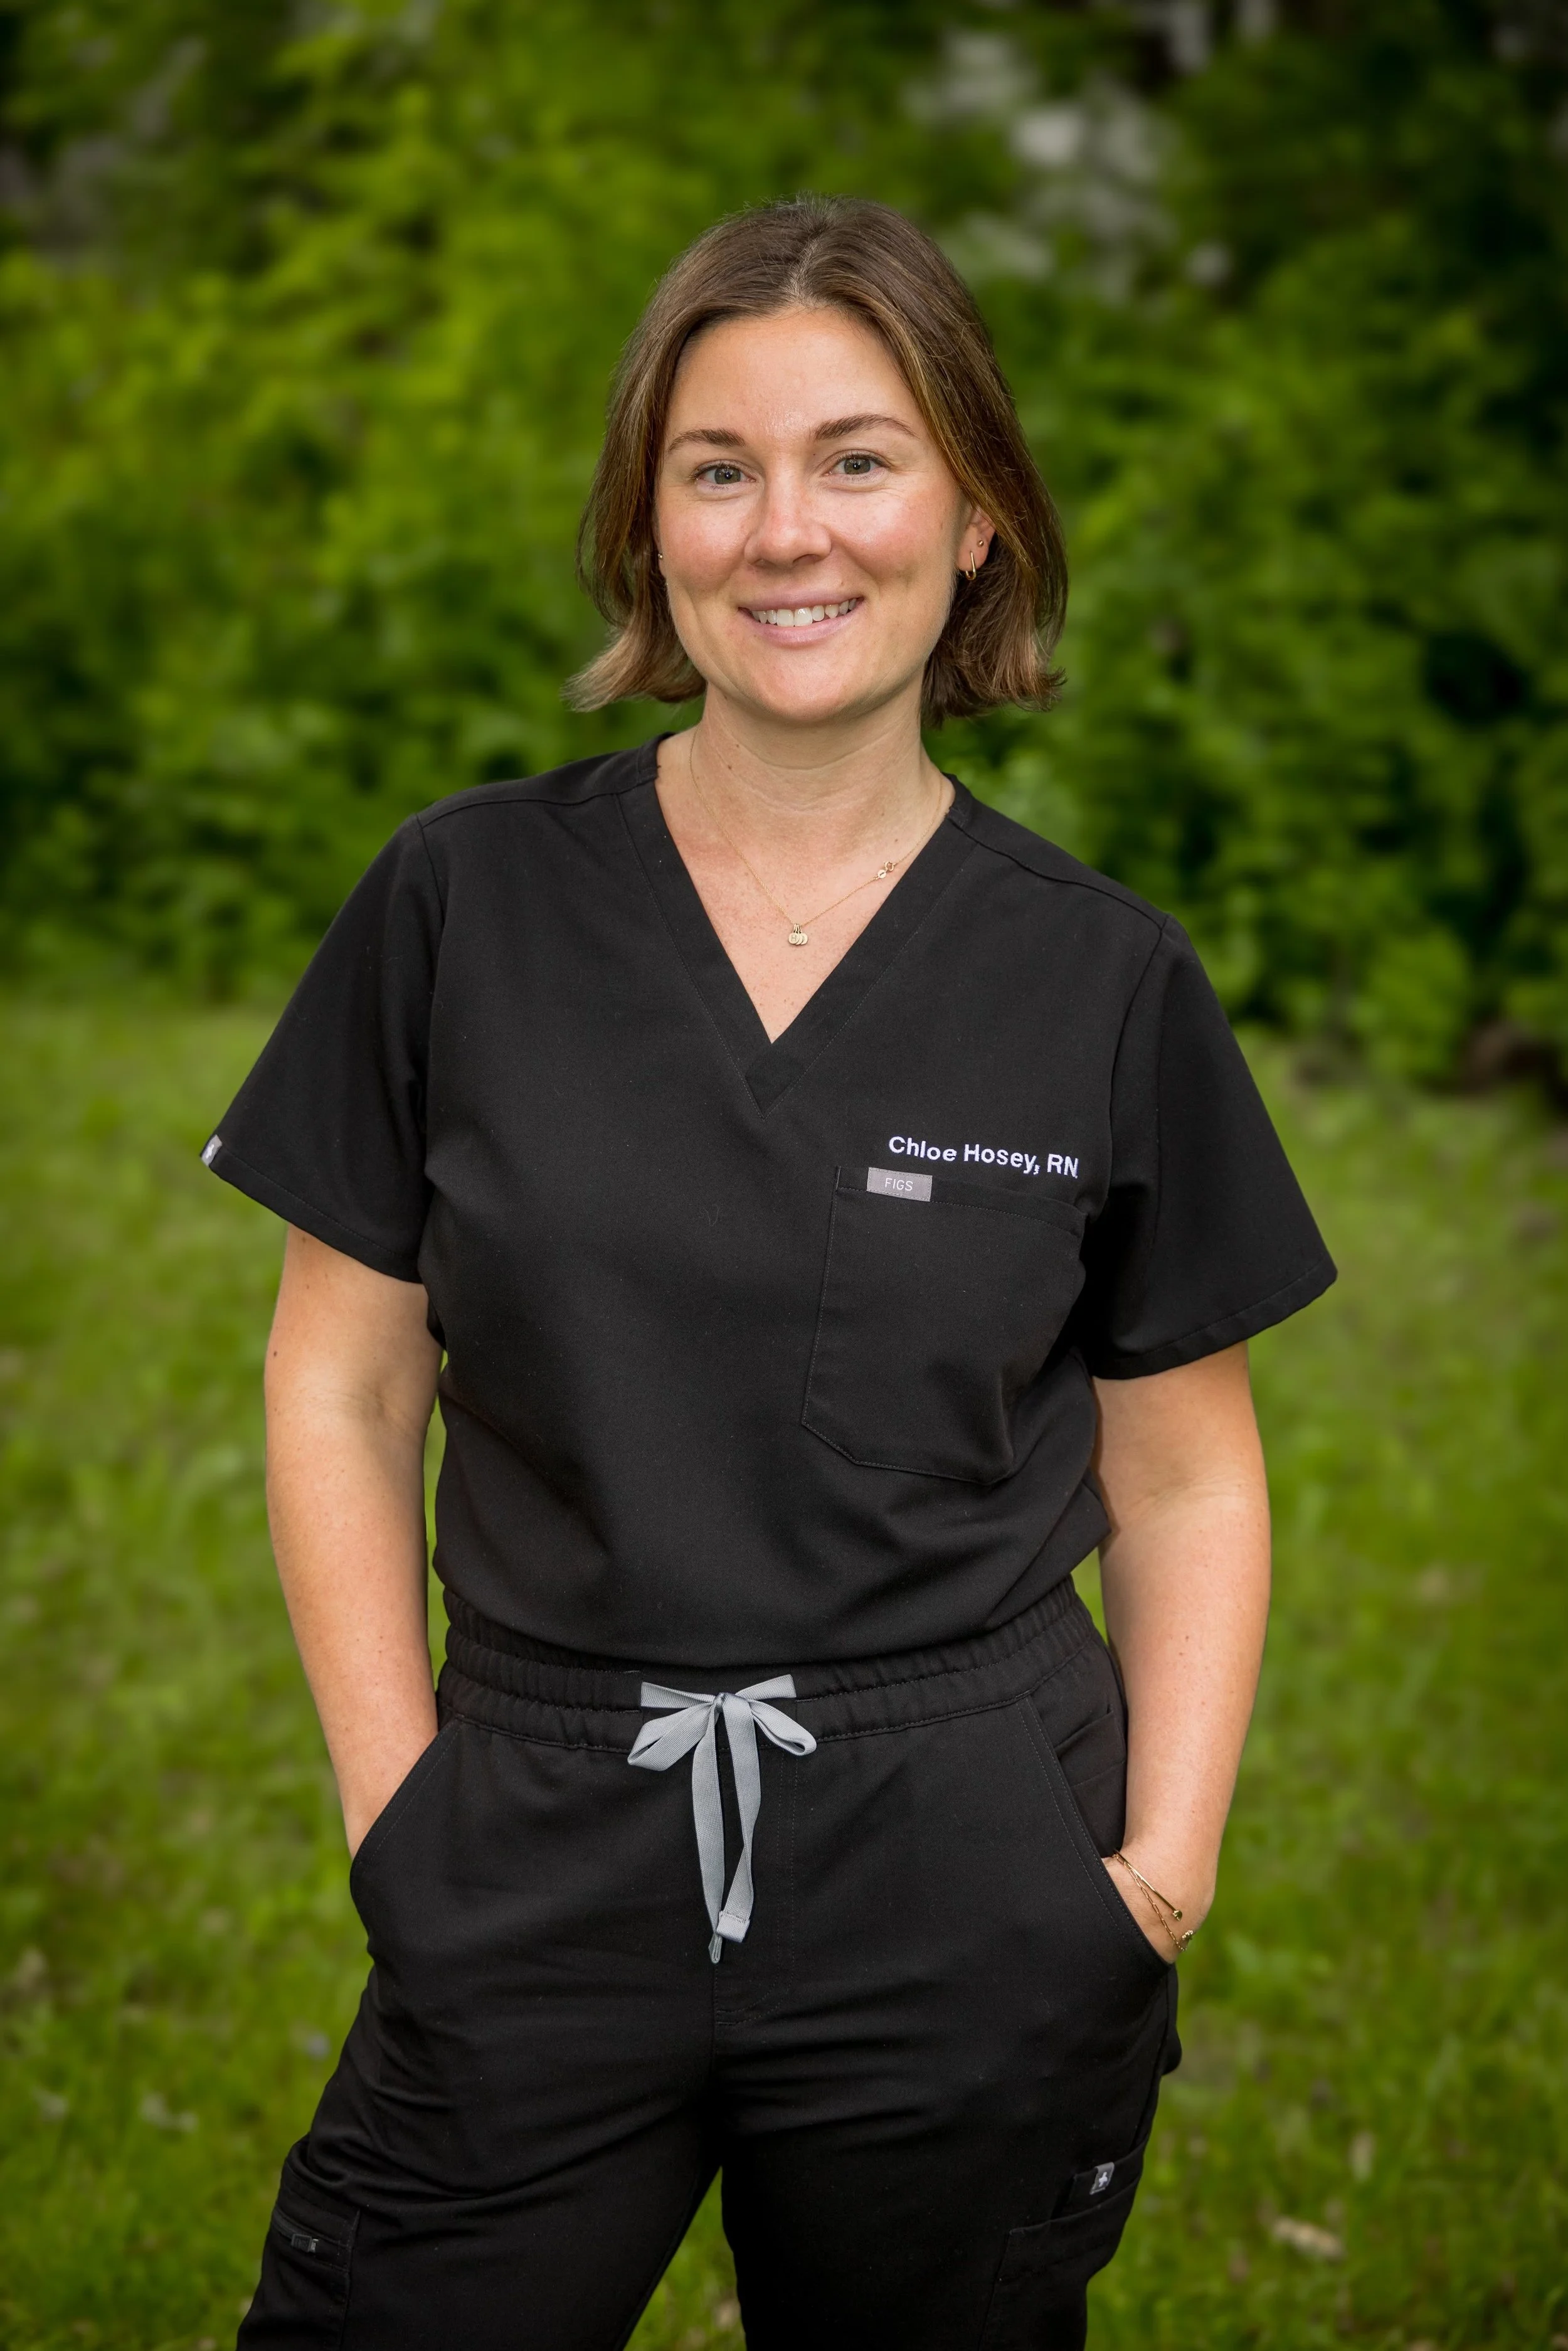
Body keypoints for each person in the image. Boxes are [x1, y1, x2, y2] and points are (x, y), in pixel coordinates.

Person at [205, 196, 1334, 2351]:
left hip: (966, 1858)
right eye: (716, 468)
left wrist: (1149, 1884)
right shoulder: (462, 906)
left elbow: (1185, 1479)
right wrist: (400, 1820)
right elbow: (338, 1391)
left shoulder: (1099, 981)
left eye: (858, 457)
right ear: (649, 527)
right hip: (538, 1824)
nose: (786, 532)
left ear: (976, 515)